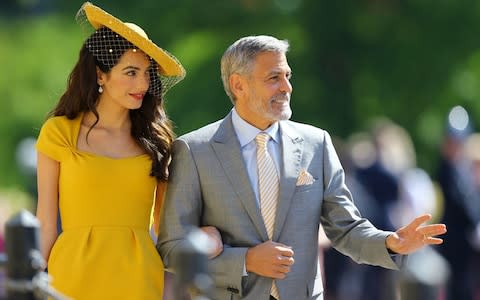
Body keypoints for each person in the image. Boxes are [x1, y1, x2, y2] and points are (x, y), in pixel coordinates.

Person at [156, 35, 447, 300]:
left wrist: (391, 242)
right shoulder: (194, 151)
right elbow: (172, 250)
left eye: (287, 75)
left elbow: (345, 229)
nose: (286, 87)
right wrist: (245, 261)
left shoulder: (316, 143)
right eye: (274, 77)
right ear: (238, 84)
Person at [35, 3, 222, 299]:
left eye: (147, 73)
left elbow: (166, 227)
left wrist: (205, 240)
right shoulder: (59, 133)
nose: (143, 84)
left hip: (138, 280)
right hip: (70, 278)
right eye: (131, 72)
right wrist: (25, 281)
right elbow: (45, 223)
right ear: (100, 75)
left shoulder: (157, 142)